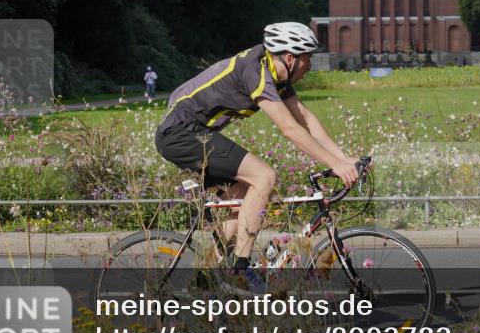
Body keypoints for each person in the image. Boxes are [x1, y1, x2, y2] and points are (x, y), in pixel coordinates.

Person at [154, 22, 359, 279]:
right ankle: (241, 272)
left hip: (190, 133)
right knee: (264, 176)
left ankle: (208, 276)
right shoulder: (256, 70)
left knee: (242, 196)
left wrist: (342, 159)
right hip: (180, 133)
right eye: (308, 58)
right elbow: (289, 128)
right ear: (290, 58)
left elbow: (305, 119)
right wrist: (335, 165)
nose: (310, 66)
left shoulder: (276, 73)